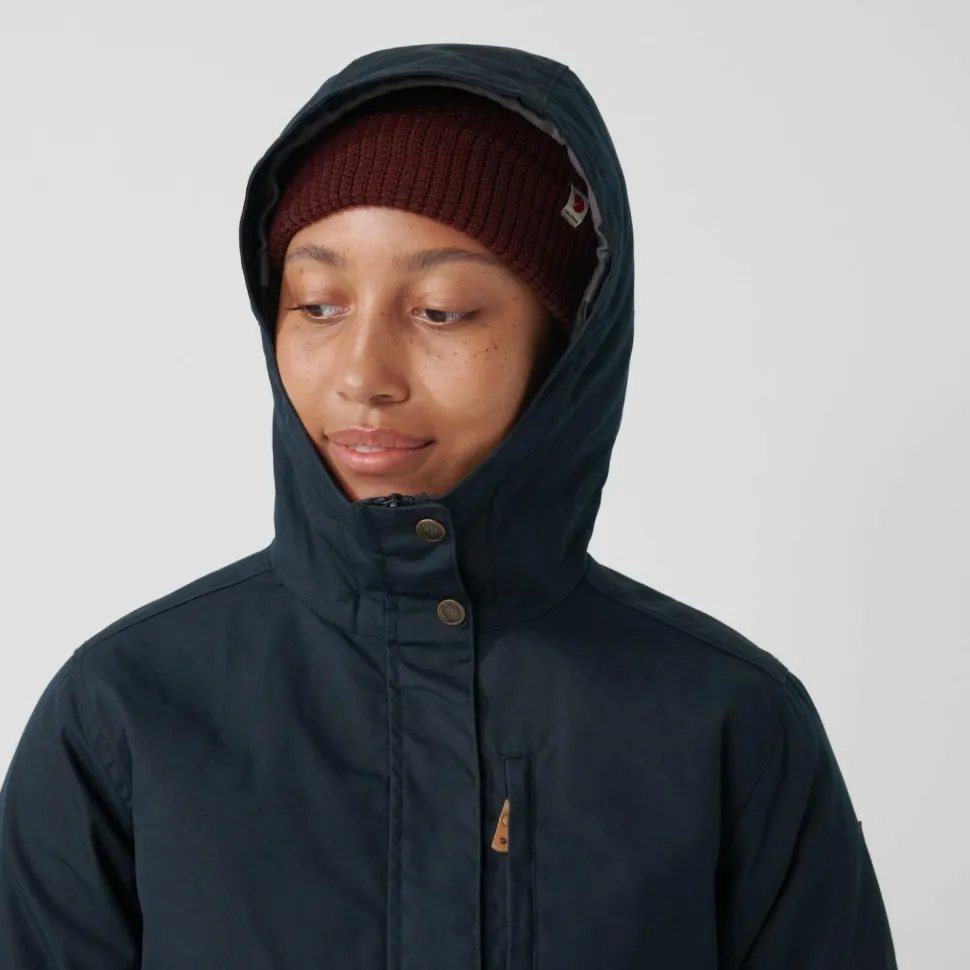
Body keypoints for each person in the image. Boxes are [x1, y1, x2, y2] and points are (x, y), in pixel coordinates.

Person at [0, 42, 897, 969]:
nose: (363, 376)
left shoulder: (731, 724)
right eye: (317, 304)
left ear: (565, 343)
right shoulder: (123, 714)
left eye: (440, 311)